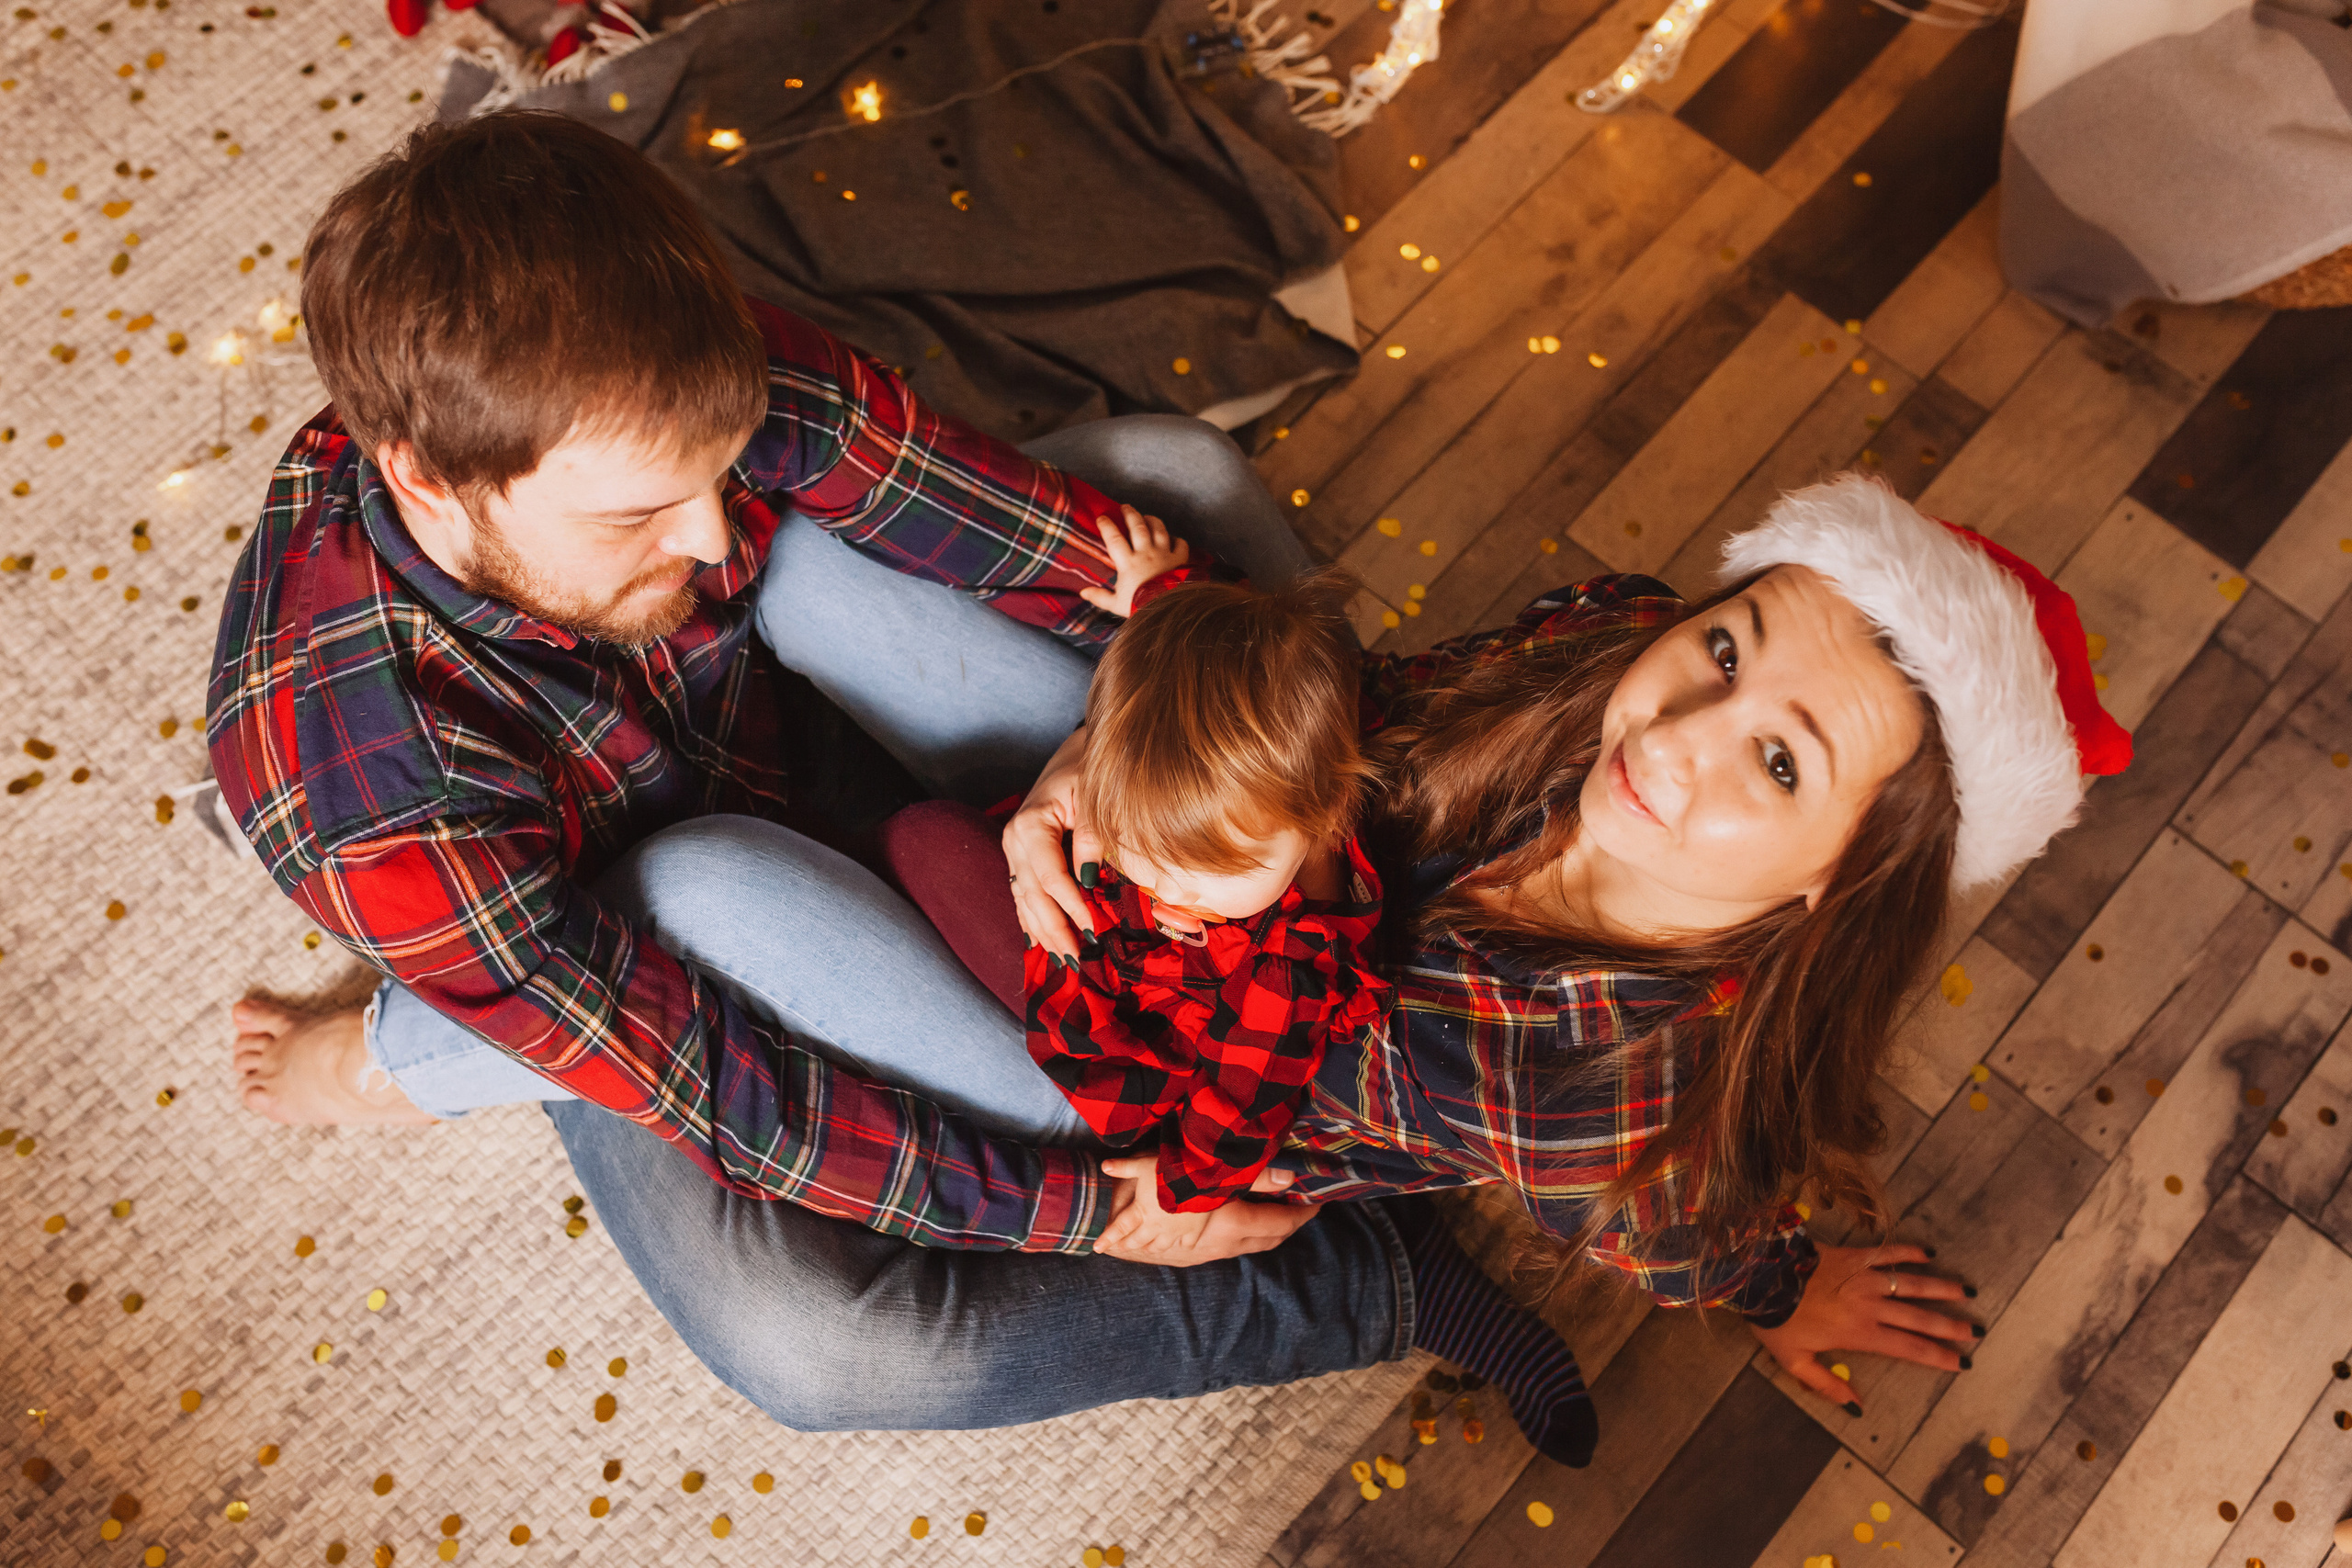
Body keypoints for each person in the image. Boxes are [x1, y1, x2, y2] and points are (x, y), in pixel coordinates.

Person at [211, 108, 1578, 1440]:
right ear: (430, 480)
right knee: (827, 1341)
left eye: (720, 467)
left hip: (797, 731)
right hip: (615, 928)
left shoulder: (673, 379)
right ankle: (1370, 1276)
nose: (705, 532)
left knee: (1173, 478)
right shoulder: (363, 794)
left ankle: (1311, 1030)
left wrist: (1129, 754)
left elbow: (1018, 527)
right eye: (638, 513)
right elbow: (724, 1085)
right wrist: (1103, 1211)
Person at [990, 473, 2133, 1415]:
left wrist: (1785, 1291)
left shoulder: (1614, 1104)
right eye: (1726, 655)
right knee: (1159, 458)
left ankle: (1367, 1286)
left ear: (1841, 885)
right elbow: (1360, 700)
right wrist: (1093, 759)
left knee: (859, 1342)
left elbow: (1695, 1234)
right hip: (1203, 848)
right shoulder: (1599, 646)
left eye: (1781, 762)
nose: (1677, 736)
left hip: (1212, 1091)